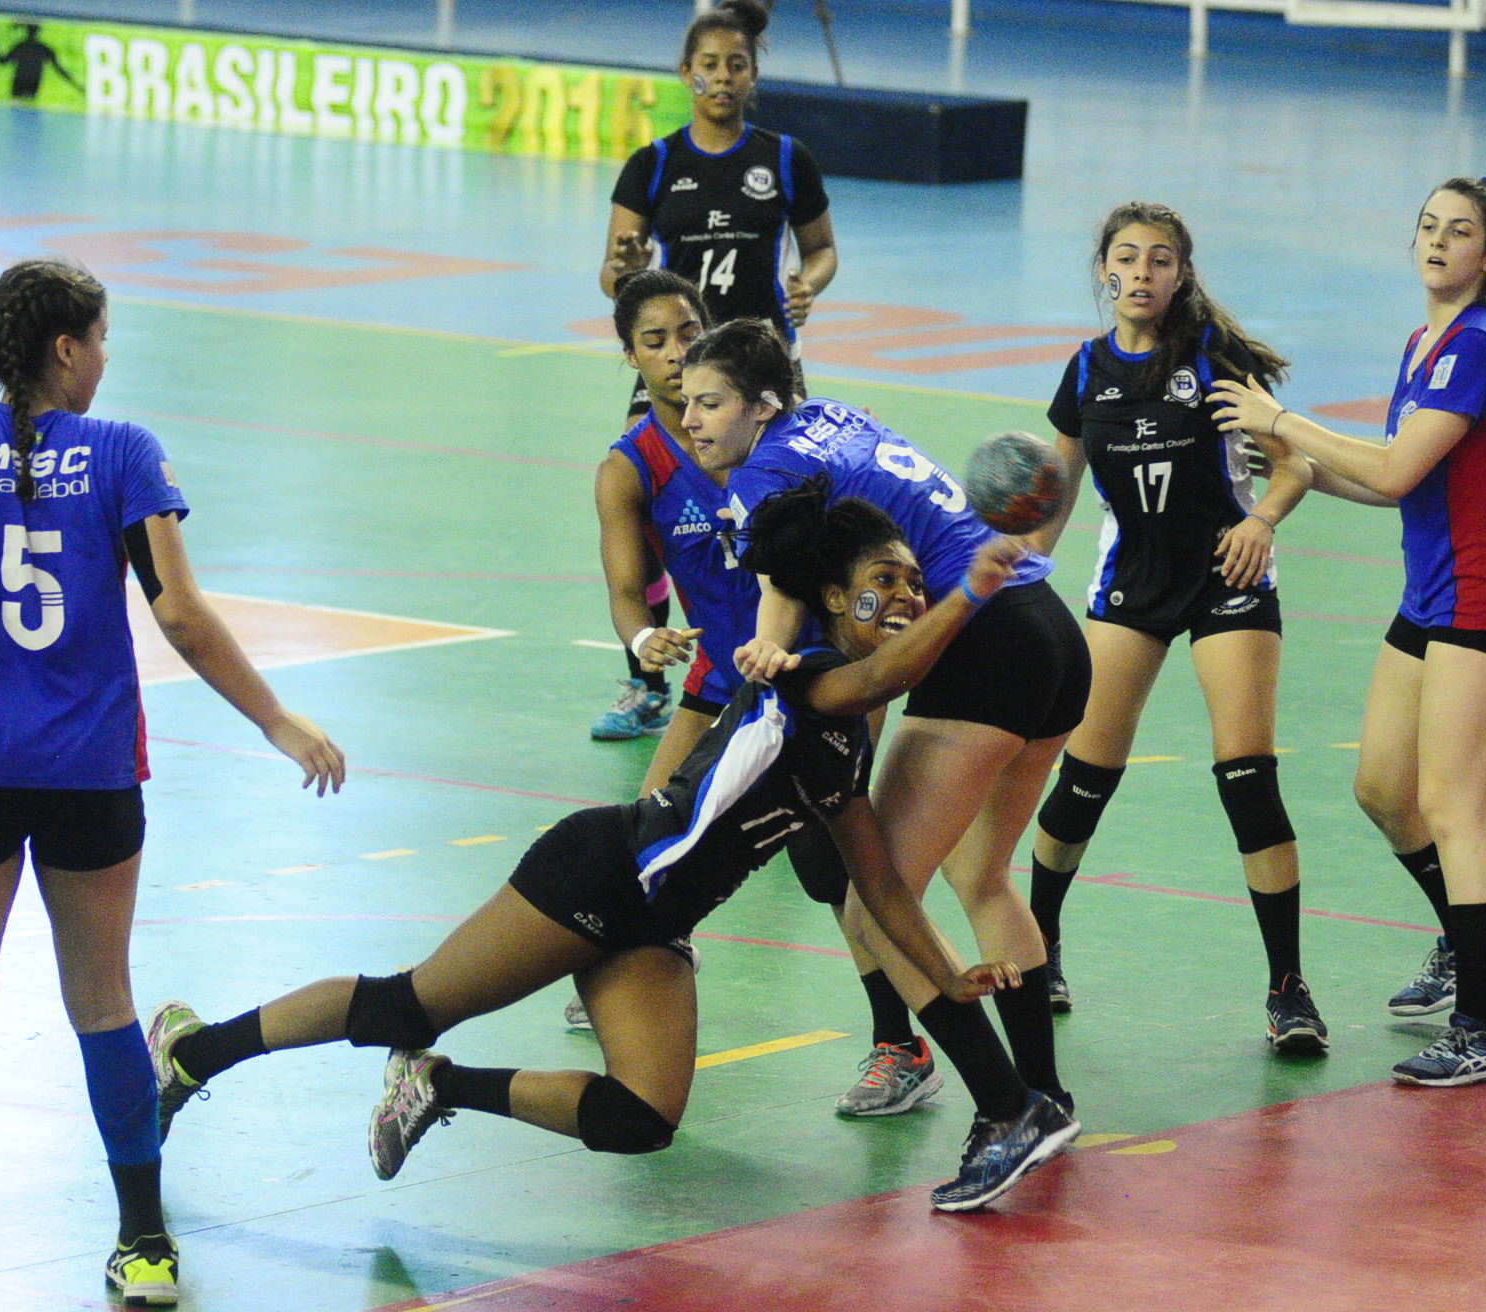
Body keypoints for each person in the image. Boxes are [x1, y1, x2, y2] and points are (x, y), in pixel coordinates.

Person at [149, 486, 1080, 1214]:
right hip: (595, 876)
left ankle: (437, 1089)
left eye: (920, 581)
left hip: (656, 920)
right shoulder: (815, 678)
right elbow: (890, 669)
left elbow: (877, 881)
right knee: (407, 1004)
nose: (909, 595)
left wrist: (950, 979)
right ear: (834, 597)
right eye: (890, 579)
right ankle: (194, 1051)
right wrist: (974, 586)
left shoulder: (846, 734)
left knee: (641, 1120)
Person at [0, 259, 345, 1312]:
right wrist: (276, 719)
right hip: (89, 769)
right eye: (102, 338)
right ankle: (144, 1243)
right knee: (104, 1001)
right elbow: (184, 615)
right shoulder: (123, 454)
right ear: (65, 349)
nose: (107, 359)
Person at [684, 318, 1091, 1159]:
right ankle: (1048, 1097)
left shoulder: (765, 471)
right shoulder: (828, 416)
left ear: (762, 405)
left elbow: (783, 587)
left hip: (982, 642)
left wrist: (770, 648)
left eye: (710, 402)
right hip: (1047, 628)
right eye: (686, 402)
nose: (692, 419)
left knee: (876, 906)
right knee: (980, 875)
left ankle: (1004, 1105)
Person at [1210, 176, 1486, 1087]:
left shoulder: (1481, 347)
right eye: (1428, 227)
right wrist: (1303, 467)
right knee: (1381, 792)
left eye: (1461, 233)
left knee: (1455, 811)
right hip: (1435, 599)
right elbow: (1389, 483)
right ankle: (1471, 942)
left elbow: (1400, 468)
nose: (1438, 243)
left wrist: (1283, 420)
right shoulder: (1426, 343)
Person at [578, 271, 936, 1119]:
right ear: (627, 354)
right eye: (655, 341)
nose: (673, 355)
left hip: (816, 676)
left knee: (831, 865)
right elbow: (631, 588)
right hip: (720, 682)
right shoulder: (633, 470)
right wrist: (642, 642)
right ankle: (633, 976)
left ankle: (902, 1043)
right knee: (649, 839)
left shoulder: (779, 448)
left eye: (687, 334)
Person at [1023, 201, 1327, 1055]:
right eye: (1129, 258)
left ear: (1181, 275)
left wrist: (1262, 518)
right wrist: (1014, 566)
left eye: (1162, 260)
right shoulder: (1084, 373)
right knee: (1084, 779)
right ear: (1105, 273)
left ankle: (1289, 989)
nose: (1144, 272)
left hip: (1227, 576)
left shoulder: (1213, 360)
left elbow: (1294, 460)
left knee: (1247, 777)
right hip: (1133, 583)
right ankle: (1039, 945)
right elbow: (1052, 495)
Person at [590, 0, 839, 741]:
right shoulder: (656, 164)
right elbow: (615, 274)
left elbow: (821, 249)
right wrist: (626, 267)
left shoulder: (785, 158)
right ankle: (649, 678)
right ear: (686, 73)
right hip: (675, 368)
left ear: (753, 75)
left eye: (736, 66)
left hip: (762, 373)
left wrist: (810, 284)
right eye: (709, 66)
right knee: (655, 513)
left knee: (779, 515)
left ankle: (794, 658)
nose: (722, 78)